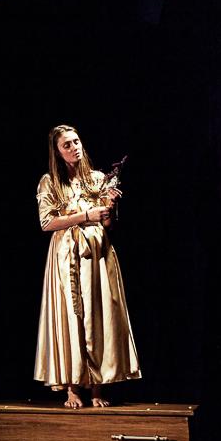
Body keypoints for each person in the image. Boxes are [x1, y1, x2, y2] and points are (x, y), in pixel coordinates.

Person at [34, 124, 140, 407]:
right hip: (66, 254)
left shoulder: (97, 178)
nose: (74, 147)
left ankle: (96, 389)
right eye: (66, 145)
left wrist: (108, 205)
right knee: (70, 316)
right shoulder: (50, 182)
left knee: (97, 314)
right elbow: (47, 223)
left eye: (76, 141)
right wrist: (85, 215)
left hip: (97, 254)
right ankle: (71, 388)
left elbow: (108, 224)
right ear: (57, 152)